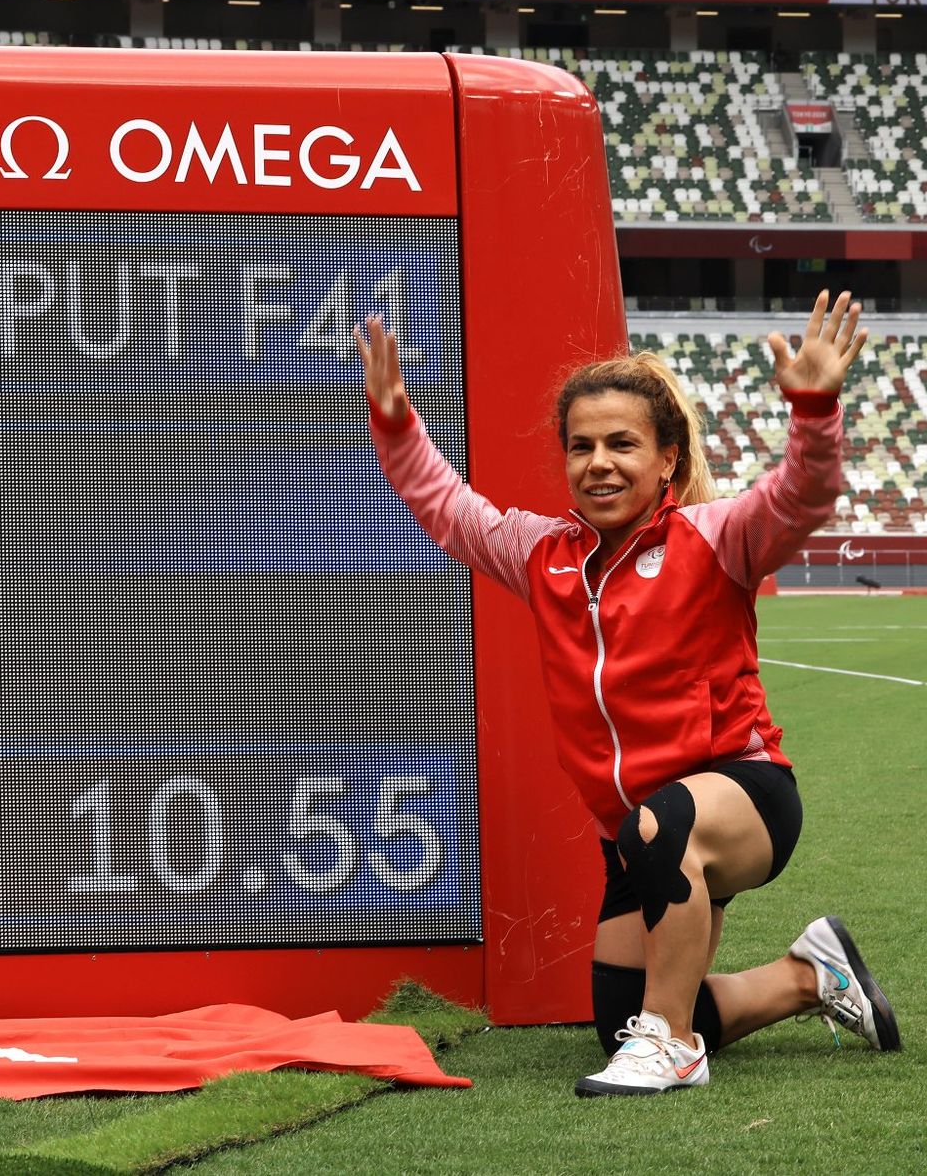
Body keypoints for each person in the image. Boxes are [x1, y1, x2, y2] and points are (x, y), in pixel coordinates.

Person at [354, 291, 900, 1097]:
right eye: (581, 446)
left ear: (668, 459)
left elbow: (801, 496)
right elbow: (448, 509)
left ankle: (674, 1049)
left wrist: (814, 409)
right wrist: (397, 422)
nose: (598, 461)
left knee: (661, 862)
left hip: (741, 800)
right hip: (637, 833)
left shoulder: (715, 539)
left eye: (621, 443)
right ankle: (807, 976)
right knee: (623, 1015)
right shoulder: (542, 555)